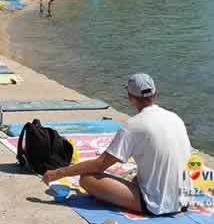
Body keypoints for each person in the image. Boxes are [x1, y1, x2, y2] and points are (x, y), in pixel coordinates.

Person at [42, 74, 192, 215]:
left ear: (131, 98)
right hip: (185, 199)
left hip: (156, 204)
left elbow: (99, 165)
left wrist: (57, 173)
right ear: (156, 94)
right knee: (136, 177)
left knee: (87, 178)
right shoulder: (175, 117)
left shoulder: (134, 125)